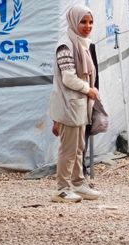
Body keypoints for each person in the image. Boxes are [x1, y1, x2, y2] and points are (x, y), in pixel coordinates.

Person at [49, 5, 102, 203]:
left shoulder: (82, 44)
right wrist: (88, 89)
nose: (87, 26)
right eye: (83, 22)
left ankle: (78, 184)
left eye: (90, 22)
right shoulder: (66, 45)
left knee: (79, 147)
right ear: (73, 21)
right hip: (69, 105)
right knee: (68, 149)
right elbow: (68, 78)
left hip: (79, 105)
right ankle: (62, 189)